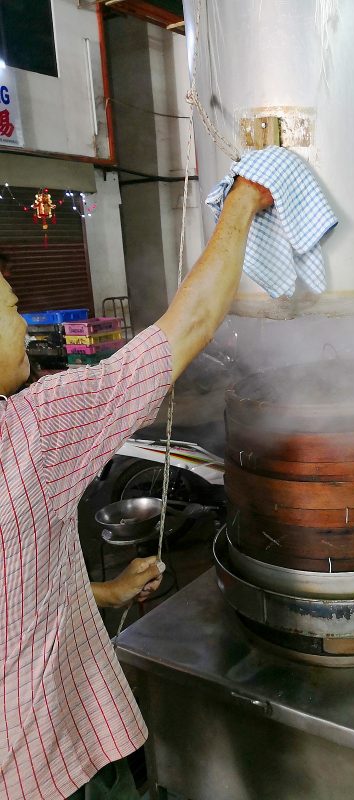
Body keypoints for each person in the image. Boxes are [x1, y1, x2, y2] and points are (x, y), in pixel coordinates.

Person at [0, 177, 273, 800]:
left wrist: (103, 590)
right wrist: (241, 205)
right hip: (51, 763)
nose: (26, 323)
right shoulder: (30, 433)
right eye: (14, 310)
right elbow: (189, 324)